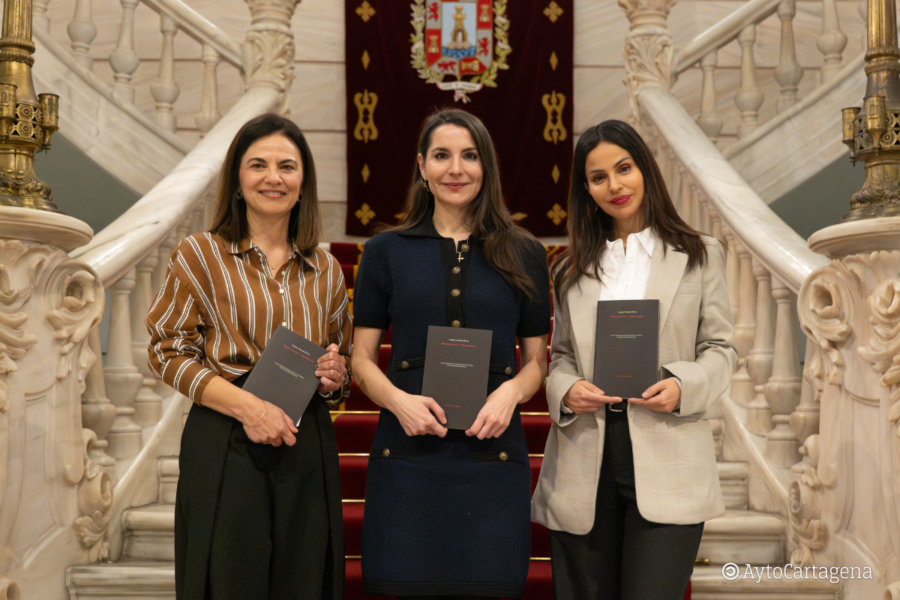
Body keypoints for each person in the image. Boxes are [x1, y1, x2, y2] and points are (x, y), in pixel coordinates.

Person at [146, 114, 351, 600]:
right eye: (257, 165)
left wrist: (333, 374)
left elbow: (338, 363)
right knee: (227, 580)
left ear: (303, 182)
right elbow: (166, 350)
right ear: (238, 180)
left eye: (287, 166)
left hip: (305, 440)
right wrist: (249, 409)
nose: (273, 177)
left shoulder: (325, 267)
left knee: (304, 581)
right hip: (226, 435)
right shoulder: (201, 254)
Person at [531, 119, 738, 600]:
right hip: (584, 462)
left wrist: (684, 384)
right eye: (598, 177)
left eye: (623, 168)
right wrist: (566, 390)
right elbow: (559, 357)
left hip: (668, 455)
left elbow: (721, 349)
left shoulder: (699, 255)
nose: (614, 186)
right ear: (586, 188)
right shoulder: (569, 267)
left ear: (644, 168)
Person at [350, 109, 551, 600]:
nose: (455, 169)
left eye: (469, 156)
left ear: (487, 168)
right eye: (442, 156)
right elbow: (359, 360)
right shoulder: (383, 252)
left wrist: (510, 394)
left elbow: (538, 361)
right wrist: (399, 401)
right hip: (407, 459)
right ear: (422, 166)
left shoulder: (524, 251)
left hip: (492, 456)